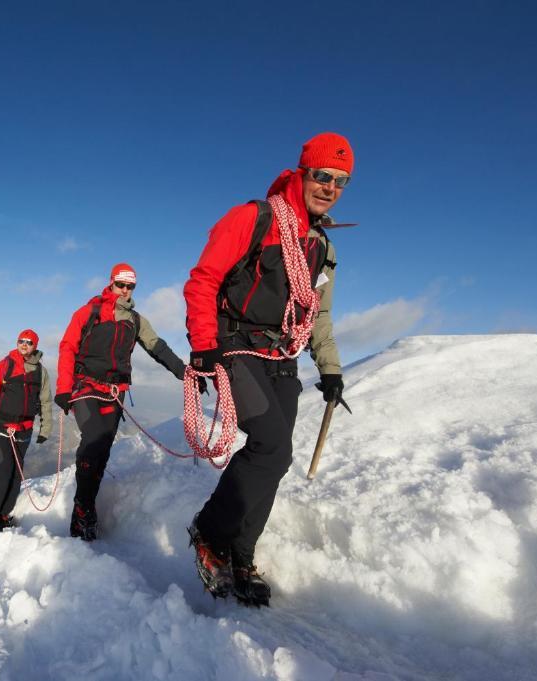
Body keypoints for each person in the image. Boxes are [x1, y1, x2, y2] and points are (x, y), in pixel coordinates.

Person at [183, 132, 353, 606]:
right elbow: (203, 281)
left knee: (276, 461)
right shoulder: (255, 219)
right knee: (272, 447)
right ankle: (208, 533)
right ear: (303, 173)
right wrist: (204, 348)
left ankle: (240, 553)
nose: (330, 187)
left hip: (283, 356)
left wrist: (331, 369)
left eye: (340, 181)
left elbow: (315, 313)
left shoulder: (320, 246)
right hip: (235, 346)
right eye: (322, 176)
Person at [56, 263, 187, 541]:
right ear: (111, 283)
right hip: (85, 386)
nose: (125, 290)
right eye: (120, 284)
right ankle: (82, 509)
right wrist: (63, 388)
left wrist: (183, 372)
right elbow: (67, 347)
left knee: (102, 450)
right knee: (93, 441)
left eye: (130, 286)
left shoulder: (136, 320)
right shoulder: (89, 312)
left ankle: (86, 504)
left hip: (116, 391)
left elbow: (157, 346)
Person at [0, 329, 53, 531]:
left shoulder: (41, 372)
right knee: (3, 470)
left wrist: (46, 428)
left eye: (29, 342)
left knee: (16, 472)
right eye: (21, 341)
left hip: (24, 429)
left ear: (35, 346)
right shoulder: (4, 366)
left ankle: (3, 513)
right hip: (0, 428)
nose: (24, 344)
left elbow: (45, 401)